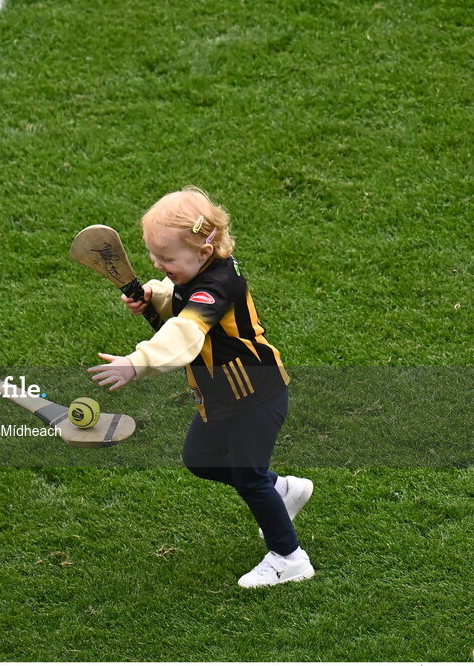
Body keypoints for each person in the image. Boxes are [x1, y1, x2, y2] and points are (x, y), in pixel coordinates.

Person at [87, 186, 314, 588]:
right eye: (154, 256)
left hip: (255, 396)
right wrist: (155, 296)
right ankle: (283, 491)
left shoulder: (218, 286)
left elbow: (186, 332)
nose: (158, 263)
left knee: (247, 474)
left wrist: (137, 362)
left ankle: (289, 557)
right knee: (201, 459)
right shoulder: (202, 276)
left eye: (167, 259)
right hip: (221, 396)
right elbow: (181, 300)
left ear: (204, 253)